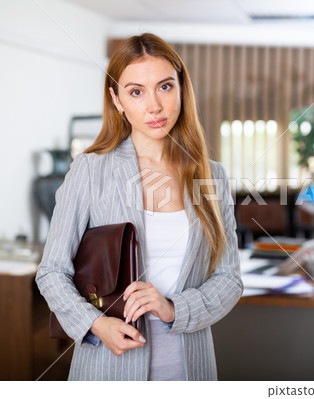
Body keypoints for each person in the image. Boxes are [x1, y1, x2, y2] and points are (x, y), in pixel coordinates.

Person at [35, 33, 243, 381]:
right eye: (136, 91)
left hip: (189, 368)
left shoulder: (212, 176)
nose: (154, 106)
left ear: (181, 88)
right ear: (116, 99)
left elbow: (229, 279)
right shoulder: (90, 170)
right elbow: (52, 272)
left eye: (165, 87)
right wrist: (96, 324)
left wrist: (174, 307)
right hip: (107, 368)